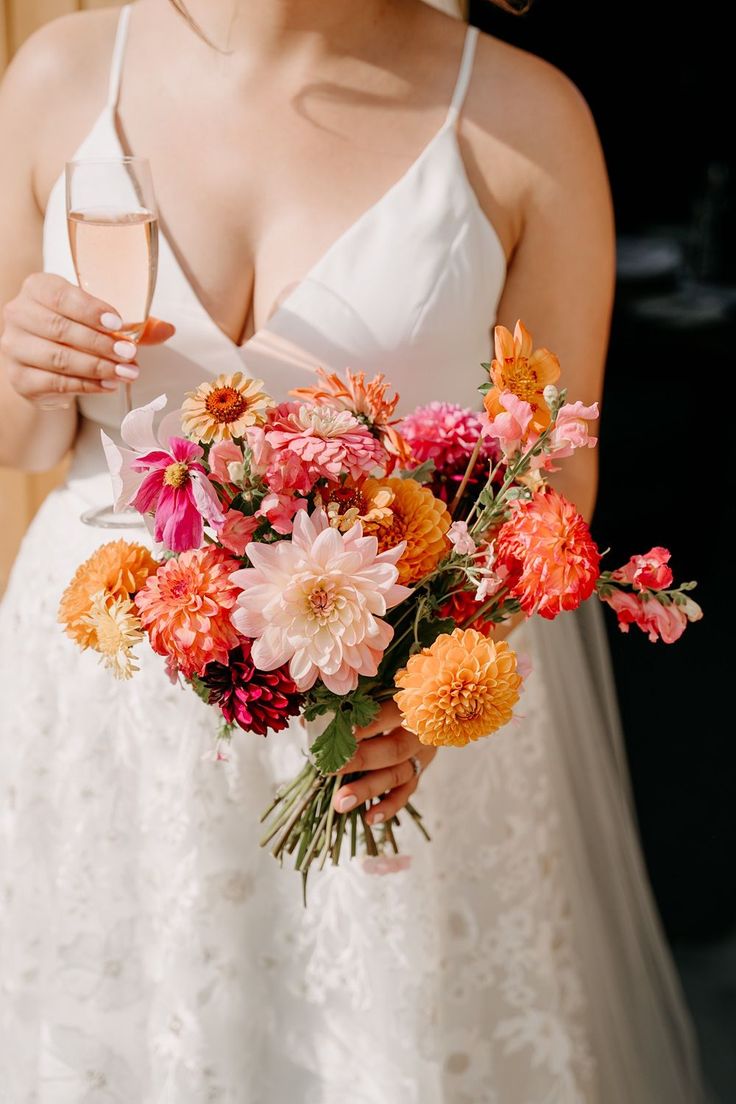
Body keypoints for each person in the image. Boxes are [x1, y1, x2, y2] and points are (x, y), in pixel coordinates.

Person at [0, 1, 704, 1100]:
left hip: (383, 707)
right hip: (105, 691)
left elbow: (554, 481)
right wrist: (22, 365)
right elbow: (24, 439)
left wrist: (422, 698)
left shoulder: (523, 117)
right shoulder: (60, 77)